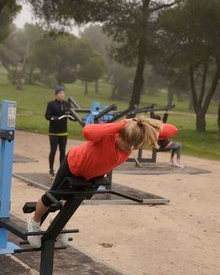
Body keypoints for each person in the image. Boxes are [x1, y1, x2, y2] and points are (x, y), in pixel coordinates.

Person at [27, 117, 163, 247]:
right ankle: (34, 222)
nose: (130, 148)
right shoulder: (106, 137)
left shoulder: (133, 142)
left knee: (74, 200)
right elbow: (87, 131)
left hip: (91, 176)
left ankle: (57, 222)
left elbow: (164, 130)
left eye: (133, 146)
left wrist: (140, 126)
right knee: (53, 196)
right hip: (74, 164)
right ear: (120, 134)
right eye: (127, 144)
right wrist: (121, 124)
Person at [45, 86, 71, 176]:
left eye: (63, 93)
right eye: (60, 93)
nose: (62, 94)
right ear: (56, 95)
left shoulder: (67, 104)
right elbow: (47, 116)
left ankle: (61, 170)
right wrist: (53, 118)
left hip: (64, 132)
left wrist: (74, 118)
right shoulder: (51, 104)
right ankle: (51, 169)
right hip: (53, 132)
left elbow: (71, 114)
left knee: (63, 151)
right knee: (53, 150)